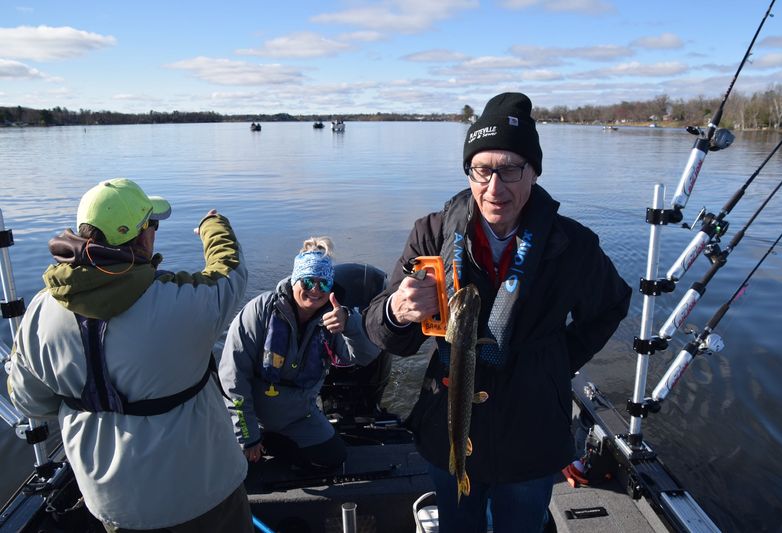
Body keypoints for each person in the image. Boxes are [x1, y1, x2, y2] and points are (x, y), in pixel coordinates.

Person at [363, 93, 632, 533]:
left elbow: (611, 306)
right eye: (482, 169)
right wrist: (398, 310)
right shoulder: (431, 233)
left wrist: (557, 361)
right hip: (447, 425)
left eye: (510, 169)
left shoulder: (574, 245)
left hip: (532, 435)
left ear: (534, 171)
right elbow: (382, 330)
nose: (494, 187)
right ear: (469, 170)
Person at [7, 178, 253, 532]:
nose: (154, 232)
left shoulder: (40, 311)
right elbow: (229, 270)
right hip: (204, 494)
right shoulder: (183, 302)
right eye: (152, 224)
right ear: (141, 237)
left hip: (114, 506)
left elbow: (30, 402)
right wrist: (215, 226)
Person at [219, 236, 380, 470]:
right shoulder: (258, 312)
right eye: (307, 282)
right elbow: (233, 379)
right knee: (238, 469)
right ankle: (259, 440)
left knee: (334, 458)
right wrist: (248, 436)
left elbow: (366, 357)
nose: (315, 290)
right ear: (294, 280)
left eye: (323, 284)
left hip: (298, 417)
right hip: (254, 416)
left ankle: (274, 444)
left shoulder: (334, 318)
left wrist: (350, 324)